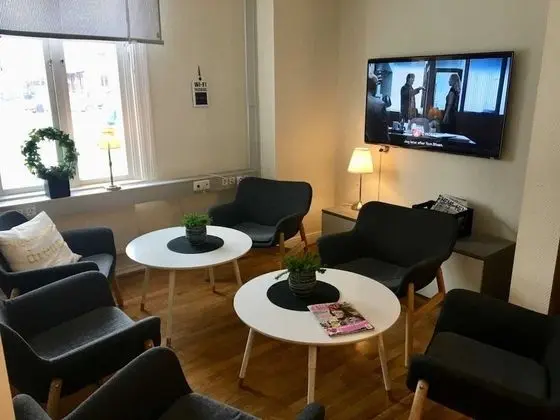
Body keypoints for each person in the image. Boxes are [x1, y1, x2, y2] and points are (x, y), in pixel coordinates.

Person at [365, 74, 390, 143]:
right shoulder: (380, 104)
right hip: (374, 144)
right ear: (375, 87)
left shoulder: (356, 101)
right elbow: (384, 132)